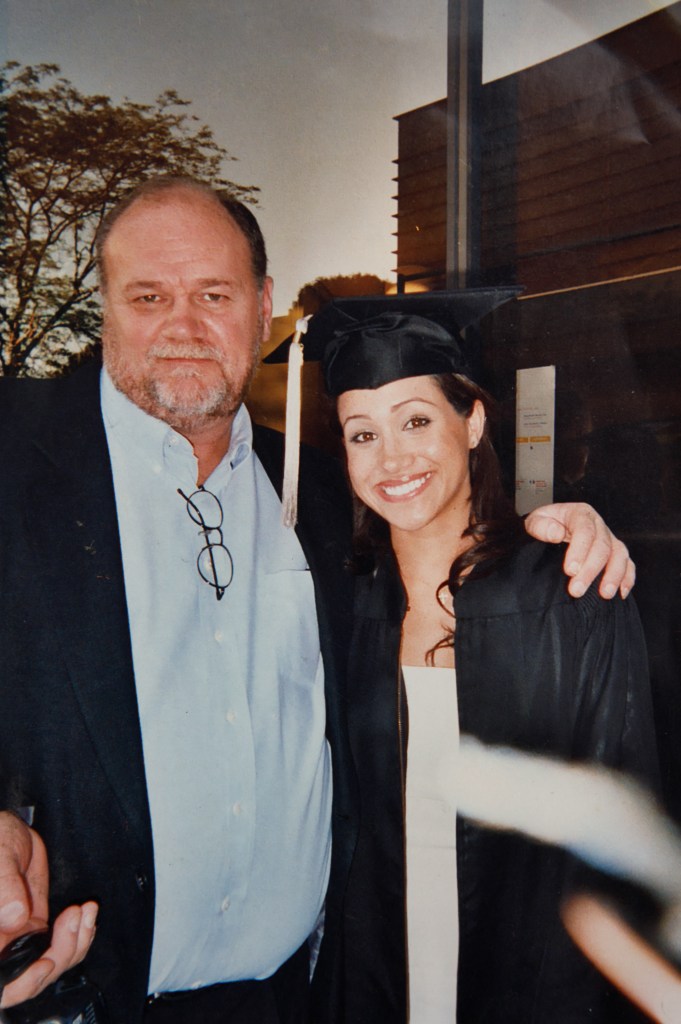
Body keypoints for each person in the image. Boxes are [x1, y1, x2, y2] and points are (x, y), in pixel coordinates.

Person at [0, 178, 634, 1022]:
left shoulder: (319, 495)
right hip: (79, 996)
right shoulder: (14, 463)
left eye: (213, 295)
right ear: (105, 306)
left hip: (304, 998)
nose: (182, 325)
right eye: (148, 296)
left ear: (262, 307)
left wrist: (557, 532)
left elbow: (434, 538)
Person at [267, 301, 658, 1023]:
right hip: (374, 972)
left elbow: (625, 831)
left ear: (472, 421)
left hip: (534, 980)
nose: (391, 460)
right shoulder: (337, 607)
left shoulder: (571, 595)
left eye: (416, 420)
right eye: (362, 434)